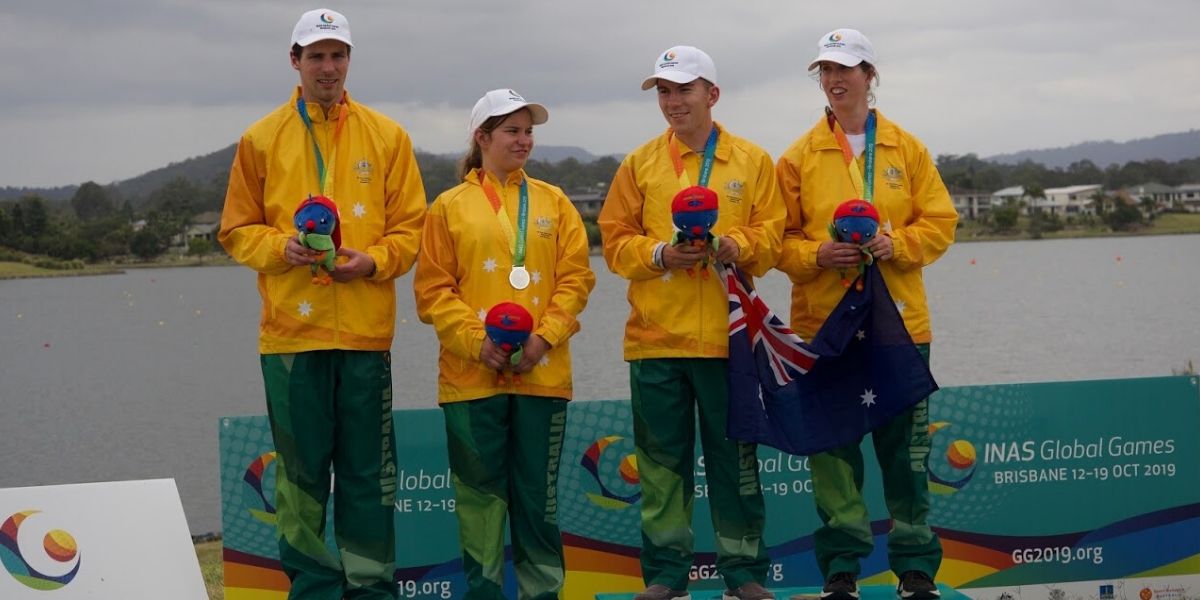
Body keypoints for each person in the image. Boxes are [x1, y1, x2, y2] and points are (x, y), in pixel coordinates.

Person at [217, 8, 426, 599]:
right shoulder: (260, 138)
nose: (328, 67)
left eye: (338, 55)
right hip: (292, 337)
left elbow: (411, 229)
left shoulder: (389, 137)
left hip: (364, 335)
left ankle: (370, 588)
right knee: (302, 476)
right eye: (316, 56)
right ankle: (312, 590)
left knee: (367, 477)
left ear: (348, 61)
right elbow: (236, 230)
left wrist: (375, 261)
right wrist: (282, 247)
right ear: (295, 61)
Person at [774, 28, 957, 600]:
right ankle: (841, 569)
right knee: (831, 451)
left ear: (870, 76)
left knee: (905, 453)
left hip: (897, 323)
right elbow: (777, 241)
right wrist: (816, 254)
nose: (835, 80)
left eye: (846, 69)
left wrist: (895, 244)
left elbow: (942, 223)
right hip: (823, 325)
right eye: (825, 70)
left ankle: (915, 568)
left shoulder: (908, 148)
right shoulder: (798, 156)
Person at [598, 46, 785, 600]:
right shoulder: (638, 164)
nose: (672, 102)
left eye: (683, 89)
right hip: (656, 342)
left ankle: (744, 573)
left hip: (730, 343)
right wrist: (659, 255)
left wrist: (734, 245)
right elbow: (613, 241)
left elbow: (773, 237)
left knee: (737, 466)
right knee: (660, 469)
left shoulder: (752, 161)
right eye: (663, 91)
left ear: (712, 94)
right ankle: (665, 577)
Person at [413, 89, 595, 600]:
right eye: (512, 131)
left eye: (529, 131)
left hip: (543, 372)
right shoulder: (448, 208)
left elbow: (576, 280)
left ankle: (543, 594)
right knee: (480, 503)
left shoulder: (554, 202)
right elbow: (432, 291)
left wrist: (544, 337)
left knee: (538, 503)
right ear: (482, 137)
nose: (523, 140)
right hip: (471, 379)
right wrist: (477, 343)